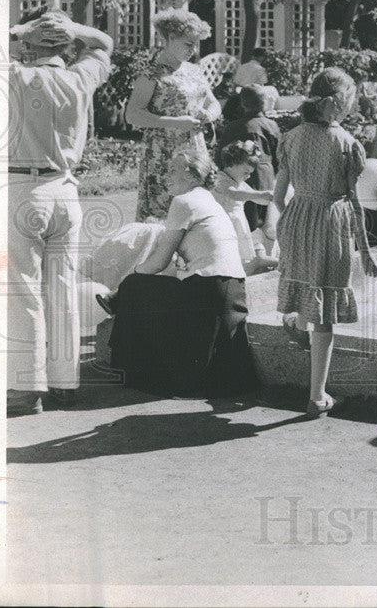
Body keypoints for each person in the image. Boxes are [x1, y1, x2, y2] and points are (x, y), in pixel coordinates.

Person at [6, 9, 113, 415]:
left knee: (24, 291)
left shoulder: (15, 75)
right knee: (62, 288)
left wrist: (19, 30)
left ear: (29, 44)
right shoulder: (80, 77)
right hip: (66, 190)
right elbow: (105, 44)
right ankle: (65, 382)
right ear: (67, 45)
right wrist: (75, 30)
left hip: (22, 187)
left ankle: (26, 387)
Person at [108, 150, 259, 398]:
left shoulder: (184, 201)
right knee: (145, 286)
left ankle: (129, 371)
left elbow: (159, 262)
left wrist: (128, 278)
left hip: (209, 290)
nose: (166, 176)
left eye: (174, 170)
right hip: (231, 290)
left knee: (136, 285)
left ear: (192, 177)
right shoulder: (209, 200)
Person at [273, 68, 377, 416]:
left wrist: (289, 222)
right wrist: (364, 251)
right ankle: (317, 396)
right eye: (350, 101)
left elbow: (277, 196)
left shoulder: (289, 138)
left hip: (297, 216)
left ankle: (295, 323)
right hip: (330, 221)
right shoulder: (348, 144)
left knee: (307, 287)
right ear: (335, 104)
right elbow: (356, 202)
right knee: (326, 313)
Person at [127, 8, 221, 220]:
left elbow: (213, 102)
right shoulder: (152, 73)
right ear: (170, 38)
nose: (194, 50)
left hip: (195, 149)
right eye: (188, 44)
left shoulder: (194, 71)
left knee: (195, 209)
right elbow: (132, 115)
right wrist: (176, 122)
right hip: (164, 153)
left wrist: (209, 114)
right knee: (164, 213)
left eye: (196, 44)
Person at [217, 85, 282, 255]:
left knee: (247, 218)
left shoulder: (233, 126)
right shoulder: (272, 125)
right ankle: (262, 253)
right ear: (264, 103)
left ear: (243, 104)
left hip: (240, 176)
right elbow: (279, 157)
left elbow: (220, 156)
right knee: (265, 218)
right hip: (266, 176)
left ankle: (250, 253)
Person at [213, 140, 279, 275]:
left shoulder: (239, 182)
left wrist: (270, 198)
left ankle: (237, 272)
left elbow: (258, 199)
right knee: (225, 251)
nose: (248, 176)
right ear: (232, 164)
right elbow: (234, 194)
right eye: (245, 172)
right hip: (224, 223)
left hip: (237, 223)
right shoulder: (220, 179)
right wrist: (261, 193)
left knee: (237, 255)